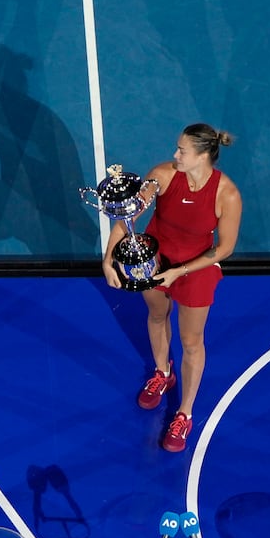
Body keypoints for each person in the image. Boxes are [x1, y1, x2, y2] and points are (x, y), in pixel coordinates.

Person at [105, 123, 243, 453]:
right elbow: (129, 215)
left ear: (204, 155)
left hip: (195, 269)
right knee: (156, 315)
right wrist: (108, 260)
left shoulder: (227, 195)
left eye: (182, 151)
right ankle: (163, 372)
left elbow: (223, 249)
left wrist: (179, 271)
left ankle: (185, 413)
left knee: (191, 341)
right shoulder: (163, 175)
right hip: (154, 260)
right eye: (177, 148)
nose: (175, 155)